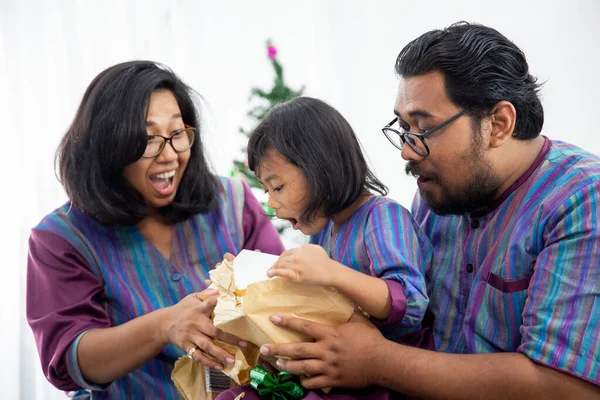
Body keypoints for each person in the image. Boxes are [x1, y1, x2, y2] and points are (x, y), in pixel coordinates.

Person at [236, 22, 600, 399]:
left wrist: (377, 361)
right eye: (403, 127)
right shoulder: (435, 199)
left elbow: (566, 386)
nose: (407, 151)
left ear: (498, 124)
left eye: (423, 129)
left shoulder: (581, 199)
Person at [26, 60, 284, 399]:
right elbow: (69, 361)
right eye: (148, 139)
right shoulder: (60, 239)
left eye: (177, 134)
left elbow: (283, 299)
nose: (170, 156)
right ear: (107, 146)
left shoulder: (232, 203)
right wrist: (164, 325)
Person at [217, 96, 432, 399]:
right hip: (334, 365)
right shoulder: (324, 232)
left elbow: (410, 305)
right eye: (266, 190)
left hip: (382, 378)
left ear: (321, 167)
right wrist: (246, 283)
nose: (272, 204)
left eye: (277, 187)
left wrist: (331, 273)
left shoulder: (383, 216)